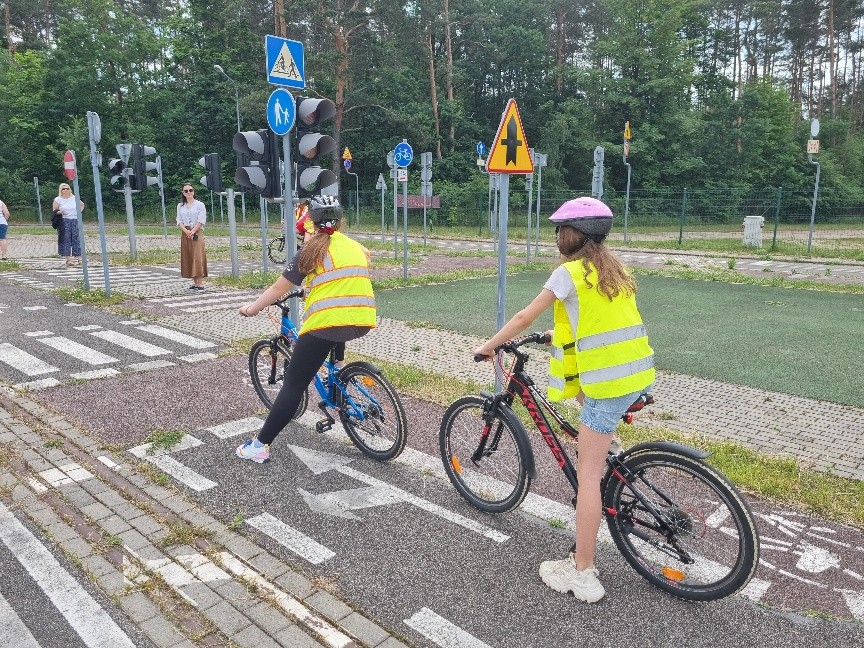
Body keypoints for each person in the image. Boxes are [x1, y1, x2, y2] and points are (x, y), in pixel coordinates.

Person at [472, 197, 655, 603]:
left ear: (571, 236)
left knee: (587, 477)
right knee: (595, 436)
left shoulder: (567, 272)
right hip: (635, 373)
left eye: (559, 230)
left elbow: (524, 317)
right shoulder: (614, 270)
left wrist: (489, 346)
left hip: (607, 383)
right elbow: (601, 320)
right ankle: (611, 453)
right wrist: (560, 335)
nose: (556, 236)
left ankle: (583, 573)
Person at [237, 196, 376, 463]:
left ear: (310, 221)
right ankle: (339, 377)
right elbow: (345, 279)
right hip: (363, 317)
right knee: (337, 332)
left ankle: (259, 446)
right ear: (341, 219)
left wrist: (252, 308)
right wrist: (314, 289)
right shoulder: (356, 246)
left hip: (328, 323)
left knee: (294, 385)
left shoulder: (309, 252)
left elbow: (279, 288)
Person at [176, 183, 207, 290]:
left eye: (190, 190)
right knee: (189, 256)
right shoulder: (180, 206)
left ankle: (200, 283)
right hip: (186, 232)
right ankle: (194, 282)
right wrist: (186, 231)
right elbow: (179, 220)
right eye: (186, 191)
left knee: (198, 257)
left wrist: (193, 231)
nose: (189, 192)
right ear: (183, 193)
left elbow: (201, 220)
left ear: (194, 191)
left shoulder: (200, 205)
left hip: (197, 232)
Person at [53, 183, 85, 266]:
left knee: (77, 238)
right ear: (61, 190)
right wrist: (60, 212)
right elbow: (54, 211)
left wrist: (79, 212)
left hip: (75, 219)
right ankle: (68, 259)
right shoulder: (58, 199)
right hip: (64, 220)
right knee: (66, 239)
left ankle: (79, 257)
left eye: (67, 188)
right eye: (63, 189)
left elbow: (82, 205)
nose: (66, 190)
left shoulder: (74, 198)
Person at [0, 195, 9, 260]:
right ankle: (4, 255)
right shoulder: (1, 202)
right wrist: (4, 219)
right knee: (2, 239)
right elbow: (7, 213)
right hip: (2, 223)